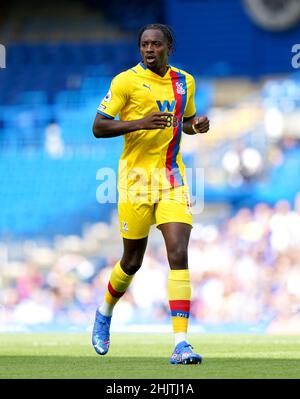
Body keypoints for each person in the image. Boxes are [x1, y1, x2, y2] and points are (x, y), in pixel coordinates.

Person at [92, 23, 210, 365]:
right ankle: (104, 311)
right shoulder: (125, 82)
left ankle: (181, 343)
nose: (148, 49)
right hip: (135, 183)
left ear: (168, 47)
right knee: (132, 261)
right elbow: (98, 126)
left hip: (172, 180)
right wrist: (140, 122)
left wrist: (196, 125)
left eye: (155, 44)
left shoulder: (184, 82)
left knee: (178, 252)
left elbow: (183, 121)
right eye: (144, 44)